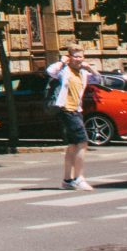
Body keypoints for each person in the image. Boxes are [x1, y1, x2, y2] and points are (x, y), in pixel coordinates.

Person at [52, 46, 95, 189]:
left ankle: (67, 180)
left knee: (72, 146)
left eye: (81, 56)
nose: (78, 59)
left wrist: (90, 68)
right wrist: (62, 62)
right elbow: (50, 71)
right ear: (69, 57)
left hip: (76, 110)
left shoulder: (82, 73)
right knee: (82, 142)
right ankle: (78, 177)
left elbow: (98, 79)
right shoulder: (64, 71)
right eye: (75, 56)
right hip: (67, 110)